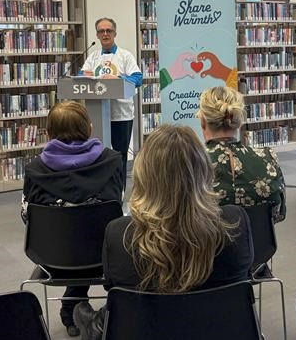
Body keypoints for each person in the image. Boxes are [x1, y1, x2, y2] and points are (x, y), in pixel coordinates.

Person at [73, 124, 254, 340]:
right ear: (205, 169)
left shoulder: (119, 234)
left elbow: (112, 288)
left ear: (144, 175)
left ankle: (97, 326)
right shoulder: (235, 222)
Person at [20, 100, 124, 337]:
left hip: (51, 258)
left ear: (48, 134)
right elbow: (116, 205)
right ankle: (87, 310)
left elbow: (27, 216)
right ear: (89, 128)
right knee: (94, 233)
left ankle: (71, 307)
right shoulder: (113, 160)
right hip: (104, 256)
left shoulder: (34, 169)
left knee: (73, 235)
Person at [198, 86, 286, 222]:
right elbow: (279, 213)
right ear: (239, 123)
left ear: (203, 121)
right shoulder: (268, 158)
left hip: (206, 242)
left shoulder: (191, 164)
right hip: (258, 242)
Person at [80, 17, 142, 180]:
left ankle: (118, 190)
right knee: (98, 154)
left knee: (119, 154)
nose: (105, 34)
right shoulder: (93, 57)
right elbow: (81, 75)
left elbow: (138, 79)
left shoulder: (125, 56)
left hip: (121, 114)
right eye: (101, 31)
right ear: (97, 35)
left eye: (109, 31)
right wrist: (88, 74)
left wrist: (119, 78)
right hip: (98, 115)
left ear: (115, 33)